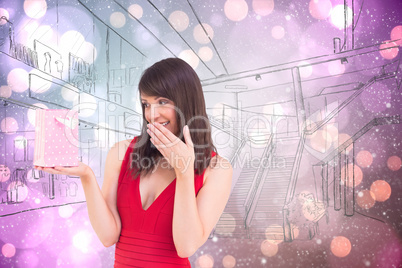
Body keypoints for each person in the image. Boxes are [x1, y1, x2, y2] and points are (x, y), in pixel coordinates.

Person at [35, 58, 233, 267]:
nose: (152, 115)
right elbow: (108, 237)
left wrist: (184, 172)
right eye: (146, 104)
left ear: (186, 102)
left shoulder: (216, 169)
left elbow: (186, 246)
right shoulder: (122, 153)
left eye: (162, 102)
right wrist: (87, 176)